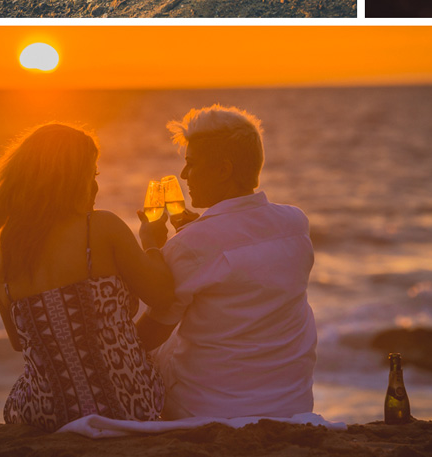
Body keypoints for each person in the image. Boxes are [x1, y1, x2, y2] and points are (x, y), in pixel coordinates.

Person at [0, 123, 174, 432]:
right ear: (67, 180)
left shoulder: (5, 256)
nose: (95, 188)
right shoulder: (101, 228)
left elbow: (18, 341)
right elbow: (162, 296)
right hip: (128, 403)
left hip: (47, 411)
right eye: (91, 175)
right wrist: (153, 241)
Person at [135, 105, 317, 419]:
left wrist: (151, 247)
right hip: (292, 405)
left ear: (223, 170)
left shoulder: (191, 244)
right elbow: (239, 265)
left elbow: (149, 335)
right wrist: (193, 234)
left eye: (191, 164)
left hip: (209, 411)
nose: (183, 175)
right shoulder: (295, 223)